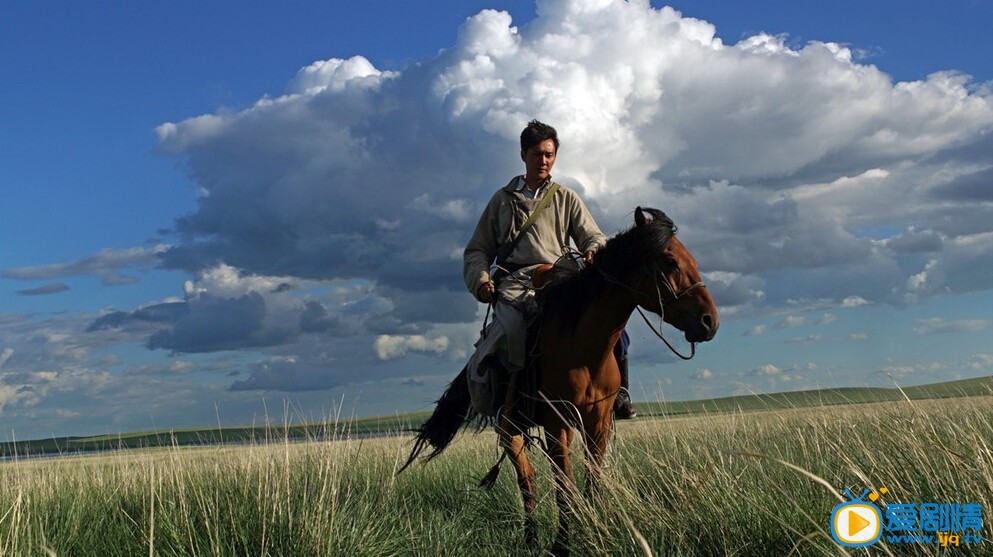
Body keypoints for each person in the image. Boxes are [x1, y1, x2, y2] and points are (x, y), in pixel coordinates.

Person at [463, 120, 637, 419]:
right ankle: (509, 402)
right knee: (511, 332)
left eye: (549, 154)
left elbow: (592, 234)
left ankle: (619, 393)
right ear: (523, 155)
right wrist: (480, 280)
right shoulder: (502, 200)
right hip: (516, 283)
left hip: (561, 276)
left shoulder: (565, 196)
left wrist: (594, 247)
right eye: (536, 154)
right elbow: (478, 249)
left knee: (608, 322)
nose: (543, 161)